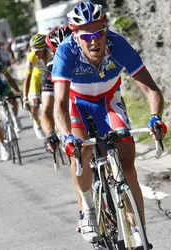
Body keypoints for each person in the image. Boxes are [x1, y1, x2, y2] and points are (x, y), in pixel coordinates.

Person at [52, 2, 167, 245]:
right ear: (75, 35)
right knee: (81, 151)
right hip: (77, 104)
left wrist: (155, 117)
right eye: (88, 36)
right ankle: (88, 210)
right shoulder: (66, 51)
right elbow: (60, 103)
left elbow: (151, 90)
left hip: (109, 101)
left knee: (127, 167)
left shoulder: (117, 44)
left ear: (105, 29)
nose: (95, 41)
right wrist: (67, 136)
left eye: (99, 33)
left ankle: (138, 232)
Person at [39, 25, 86, 231]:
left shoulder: (87, 58)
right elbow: (47, 111)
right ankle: (84, 211)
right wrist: (50, 133)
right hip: (68, 116)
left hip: (89, 109)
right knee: (76, 159)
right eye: (57, 51)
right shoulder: (49, 71)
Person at [22, 34, 51, 140]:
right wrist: (25, 98)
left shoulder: (51, 54)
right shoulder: (31, 57)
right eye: (33, 51)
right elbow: (27, 78)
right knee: (35, 104)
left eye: (37, 51)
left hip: (50, 77)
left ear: (44, 49)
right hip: (36, 79)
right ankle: (37, 123)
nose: (35, 53)